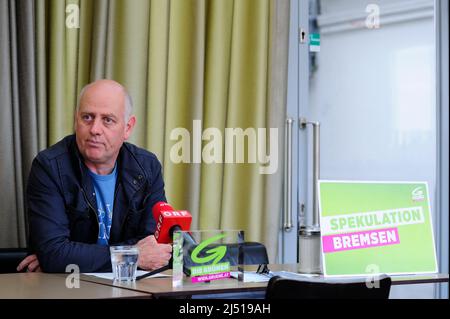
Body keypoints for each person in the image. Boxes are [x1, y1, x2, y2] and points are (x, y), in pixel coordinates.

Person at [17, 79, 172, 273]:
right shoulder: (49, 166)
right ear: (76, 120)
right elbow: (54, 253)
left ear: (128, 127)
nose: (95, 129)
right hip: (69, 289)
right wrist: (133, 254)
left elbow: (155, 245)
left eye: (108, 120)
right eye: (87, 117)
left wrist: (70, 256)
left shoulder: (147, 167)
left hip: (131, 287)